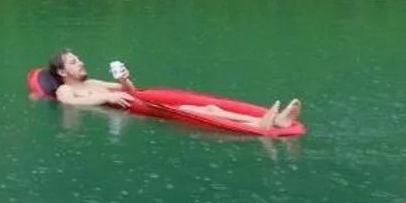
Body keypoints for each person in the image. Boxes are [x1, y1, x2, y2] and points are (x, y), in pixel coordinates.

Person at [44, 49, 303, 132]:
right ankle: (261, 124)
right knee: (198, 111)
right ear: (62, 72)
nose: (81, 63)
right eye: (74, 62)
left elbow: (132, 92)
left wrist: (124, 80)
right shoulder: (66, 91)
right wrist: (107, 97)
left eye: (79, 59)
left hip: (138, 108)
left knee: (210, 107)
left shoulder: (93, 83)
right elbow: (71, 104)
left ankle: (271, 122)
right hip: (138, 115)